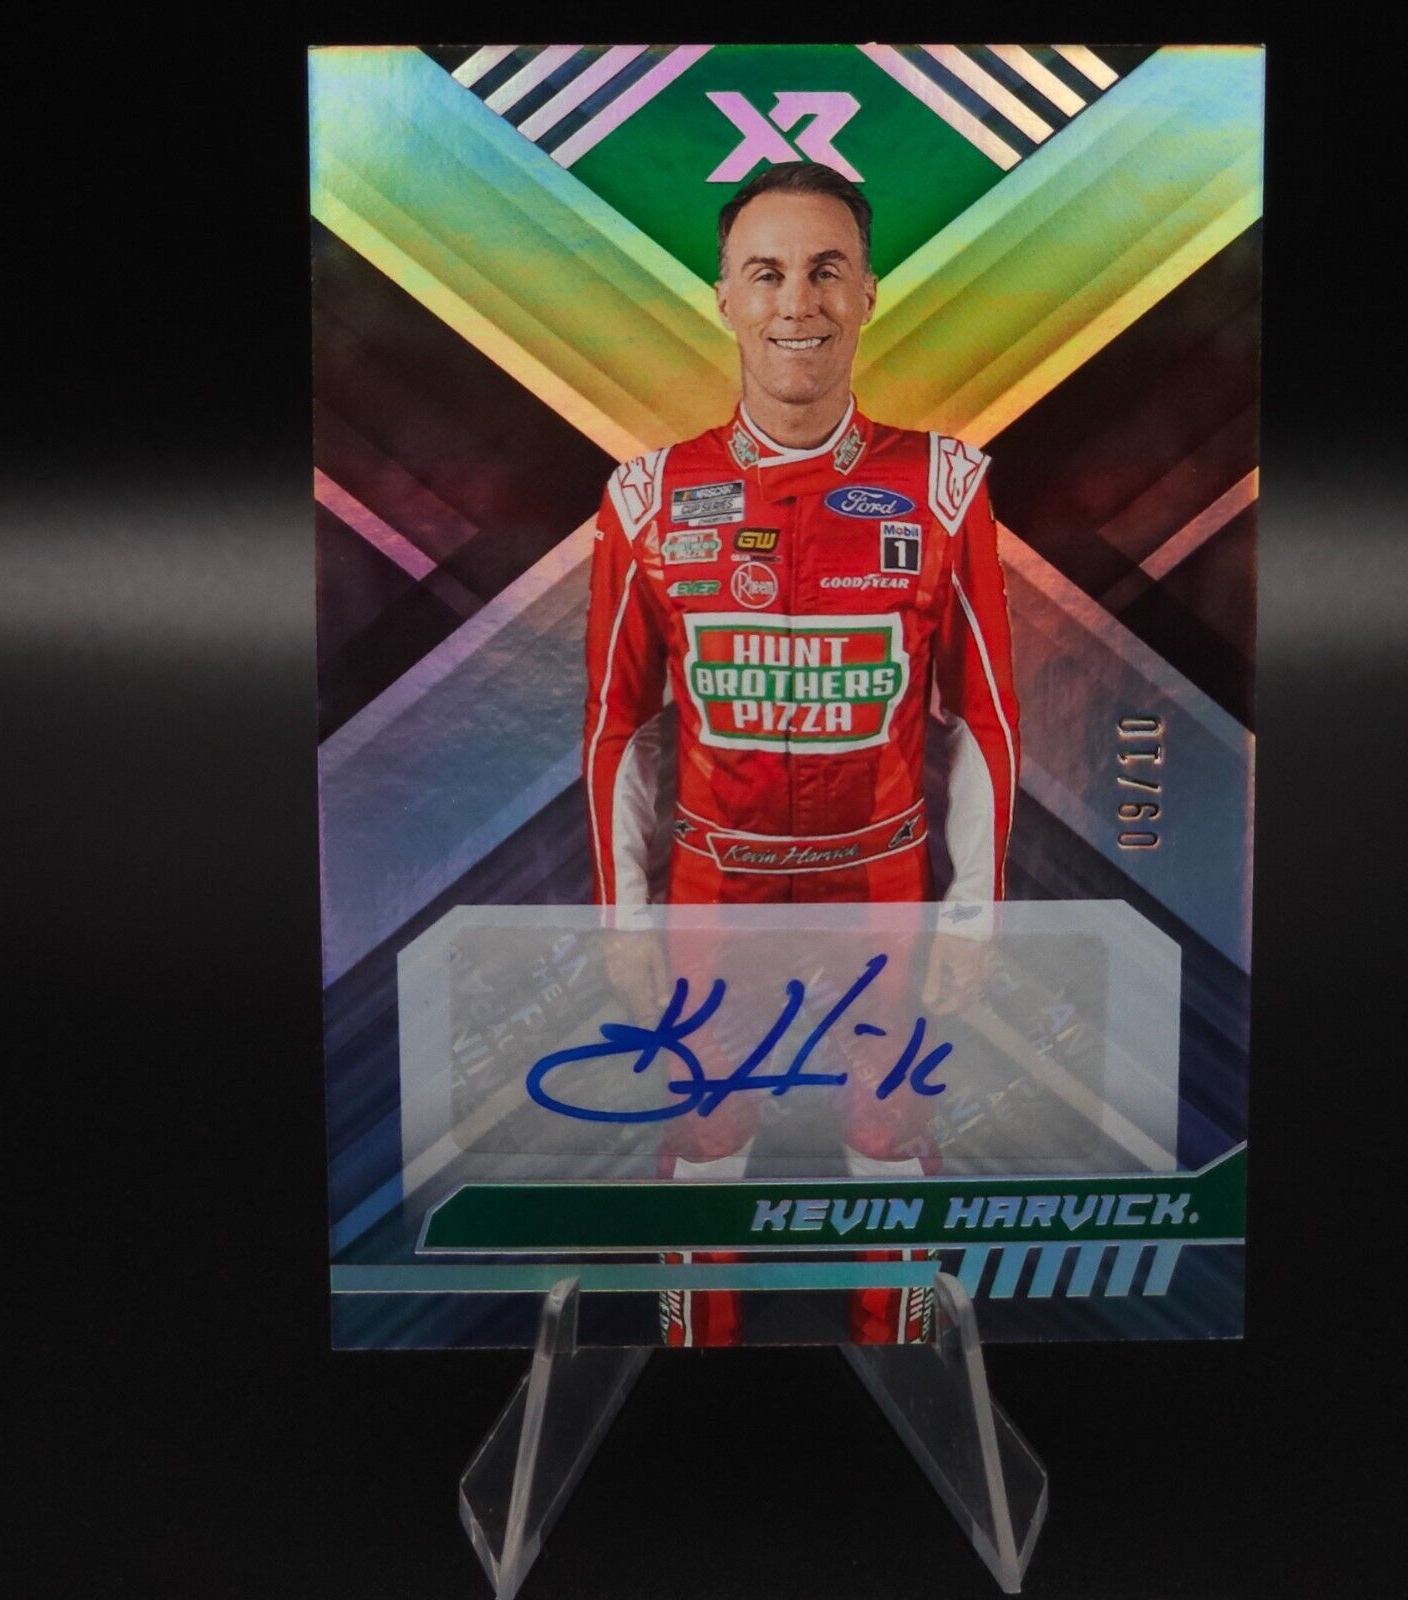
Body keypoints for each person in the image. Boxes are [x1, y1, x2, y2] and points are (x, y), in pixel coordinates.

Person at [582, 161, 1021, 1347]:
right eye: (766, 272)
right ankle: (693, 1369)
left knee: (891, 1136)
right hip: (710, 889)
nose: (797, 303)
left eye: (826, 271)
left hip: (882, 888)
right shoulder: (644, 495)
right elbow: (616, 727)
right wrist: (625, 921)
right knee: (702, 1138)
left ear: (868, 294)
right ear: (723, 296)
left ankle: (902, 1367)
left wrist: (972, 918)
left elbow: (984, 717)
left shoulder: (945, 486)